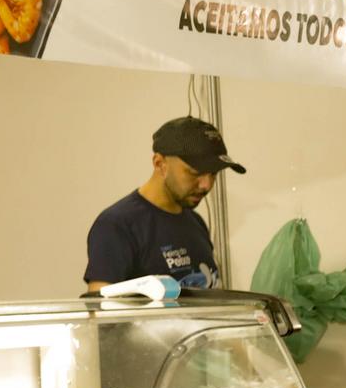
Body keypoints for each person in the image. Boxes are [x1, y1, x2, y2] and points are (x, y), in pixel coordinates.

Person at [84, 116, 244, 290]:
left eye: (213, 174)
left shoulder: (195, 222)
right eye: (195, 172)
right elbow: (100, 303)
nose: (206, 184)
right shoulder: (118, 225)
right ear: (160, 164)